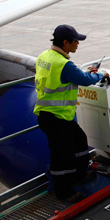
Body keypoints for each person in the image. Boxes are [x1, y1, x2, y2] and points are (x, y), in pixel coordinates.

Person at [34, 24, 104, 203]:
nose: (78, 44)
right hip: (56, 117)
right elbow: (84, 80)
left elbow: (68, 77)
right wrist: (99, 74)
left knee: (80, 141)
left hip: (52, 115)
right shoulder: (64, 64)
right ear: (66, 42)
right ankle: (64, 192)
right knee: (61, 156)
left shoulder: (45, 56)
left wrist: (84, 74)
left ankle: (78, 176)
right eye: (76, 41)